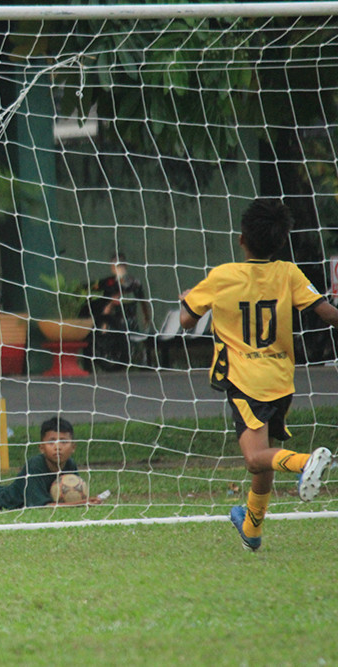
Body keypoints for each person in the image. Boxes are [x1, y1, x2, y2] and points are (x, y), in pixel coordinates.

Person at [179, 199, 338, 552]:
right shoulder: (289, 274)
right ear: (281, 242)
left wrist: (189, 298)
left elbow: (186, 320)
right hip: (281, 379)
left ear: (241, 239)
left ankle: (303, 463)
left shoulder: (222, 277)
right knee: (264, 453)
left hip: (245, 380)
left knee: (254, 457)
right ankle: (251, 526)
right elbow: (327, 312)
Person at [86, 252, 152, 367]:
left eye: (119, 265)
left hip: (128, 320)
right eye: (115, 266)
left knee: (132, 343)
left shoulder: (134, 283)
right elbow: (95, 290)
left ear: (125, 266)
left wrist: (146, 317)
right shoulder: (109, 282)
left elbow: (142, 301)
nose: (117, 269)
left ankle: (137, 362)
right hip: (112, 321)